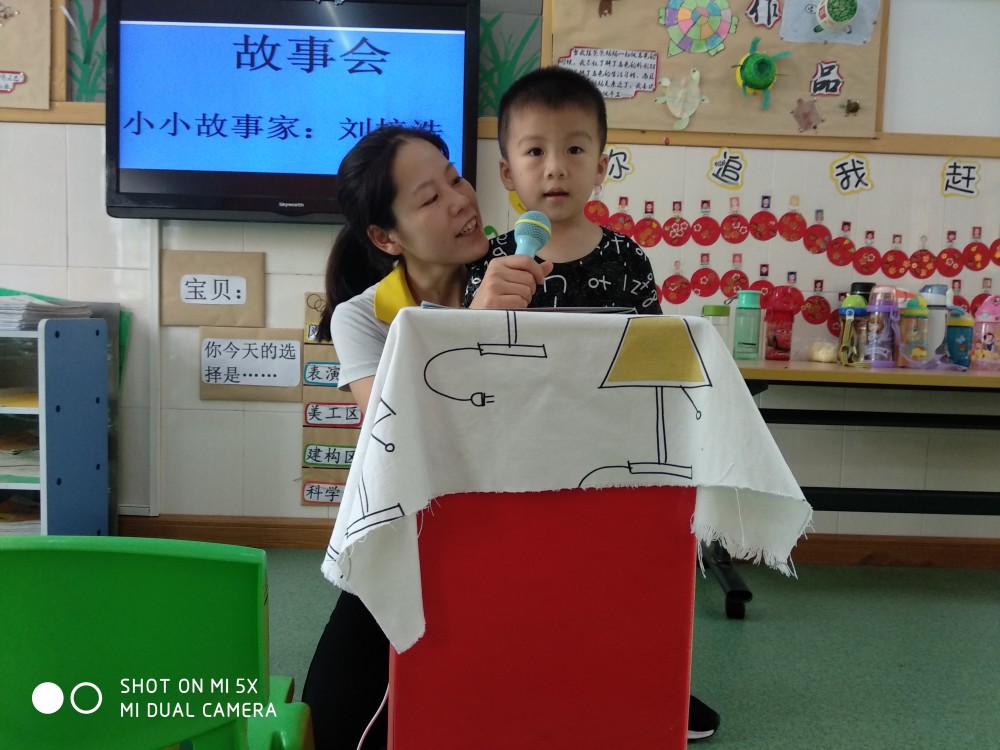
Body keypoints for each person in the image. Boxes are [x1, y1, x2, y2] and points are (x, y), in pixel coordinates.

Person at [464, 65, 721, 742]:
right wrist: (484, 307)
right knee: (523, 580)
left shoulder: (628, 259)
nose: (555, 166)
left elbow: (654, 361)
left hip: (610, 453)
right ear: (507, 171)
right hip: (514, 455)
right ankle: (523, 677)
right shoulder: (491, 263)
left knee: (618, 580)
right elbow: (463, 365)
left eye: (575, 148)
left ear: (601, 166)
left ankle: (651, 682)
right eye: (535, 150)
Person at [304, 125, 551, 750]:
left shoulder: (521, 276)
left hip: (508, 522)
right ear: (386, 238)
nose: (461, 200)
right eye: (430, 198)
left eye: (455, 179)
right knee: (331, 716)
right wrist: (474, 326)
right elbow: (390, 430)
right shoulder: (362, 315)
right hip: (404, 523)